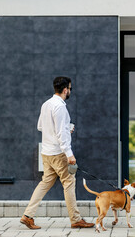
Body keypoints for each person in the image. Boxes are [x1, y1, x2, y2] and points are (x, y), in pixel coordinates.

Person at [20, 76, 94, 229]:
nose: (70, 91)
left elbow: (41, 126)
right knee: (69, 182)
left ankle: (28, 215)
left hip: (46, 152)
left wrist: (67, 128)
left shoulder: (46, 104)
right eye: (70, 89)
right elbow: (61, 133)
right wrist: (69, 154)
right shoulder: (60, 107)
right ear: (65, 89)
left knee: (45, 183)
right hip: (58, 152)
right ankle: (76, 219)